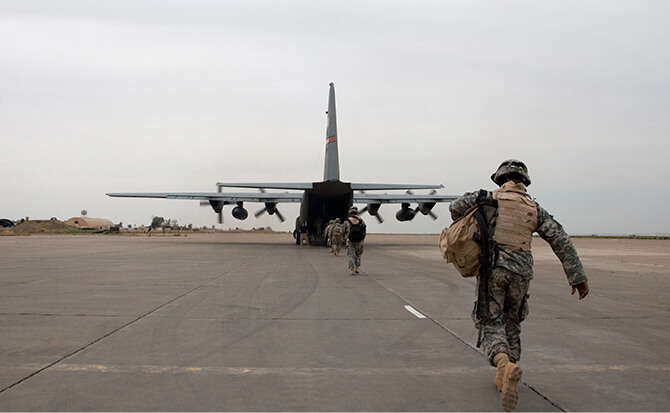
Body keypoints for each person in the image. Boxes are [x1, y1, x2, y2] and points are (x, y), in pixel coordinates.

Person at [449, 159, 589, 412]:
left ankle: (504, 365)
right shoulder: (533, 208)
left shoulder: (486, 198)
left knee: (490, 322)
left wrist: (478, 199)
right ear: (525, 181)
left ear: (500, 179)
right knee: (512, 322)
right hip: (522, 273)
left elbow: (455, 208)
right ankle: (504, 377)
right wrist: (577, 277)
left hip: (494, 270)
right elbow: (560, 238)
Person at [343, 206, 366, 275]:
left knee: (351, 255)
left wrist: (344, 238)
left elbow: (343, 230)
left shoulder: (347, 221)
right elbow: (364, 230)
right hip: (359, 240)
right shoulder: (361, 221)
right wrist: (363, 238)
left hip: (350, 240)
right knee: (358, 254)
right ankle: (357, 268)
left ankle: (352, 270)